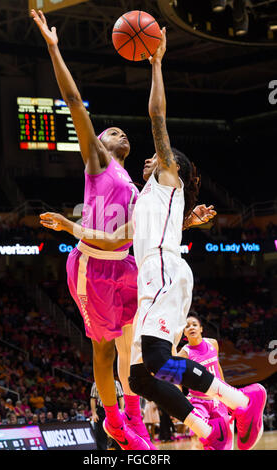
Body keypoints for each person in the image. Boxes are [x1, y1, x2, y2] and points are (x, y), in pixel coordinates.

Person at [41, 28, 267, 451]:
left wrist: (157, 64)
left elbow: (156, 118)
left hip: (161, 274)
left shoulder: (166, 176)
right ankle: (208, 429)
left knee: (151, 361)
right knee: (142, 377)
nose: (149, 155)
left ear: (171, 166)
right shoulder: (142, 195)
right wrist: (187, 224)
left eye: (157, 156)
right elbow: (129, 236)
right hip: (149, 276)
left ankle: (242, 400)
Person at [31, 8, 151, 451]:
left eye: (121, 131)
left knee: (133, 348)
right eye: (107, 129)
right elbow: (76, 101)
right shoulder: (98, 165)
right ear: (97, 144)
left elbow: (130, 238)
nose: (114, 129)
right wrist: (53, 47)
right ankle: (114, 420)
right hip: (93, 267)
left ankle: (135, 417)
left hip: (125, 264)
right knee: (102, 350)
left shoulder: (135, 188)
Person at [177, 313, 234, 449]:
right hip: (198, 401)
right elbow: (175, 379)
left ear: (201, 328)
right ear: (184, 332)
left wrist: (226, 394)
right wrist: (180, 398)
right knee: (198, 437)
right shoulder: (184, 354)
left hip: (217, 399)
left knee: (224, 439)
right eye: (187, 326)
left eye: (194, 325)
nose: (191, 327)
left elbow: (218, 367)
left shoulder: (213, 343)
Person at [90, 379, 124, 450]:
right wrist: (94, 413)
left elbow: (121, 397)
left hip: (114, 410)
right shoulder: (96, 383)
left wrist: (122, 411)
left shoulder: (116, 383)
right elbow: (93, 399)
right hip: (101, 411)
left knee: (117, 434)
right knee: (100, 435)